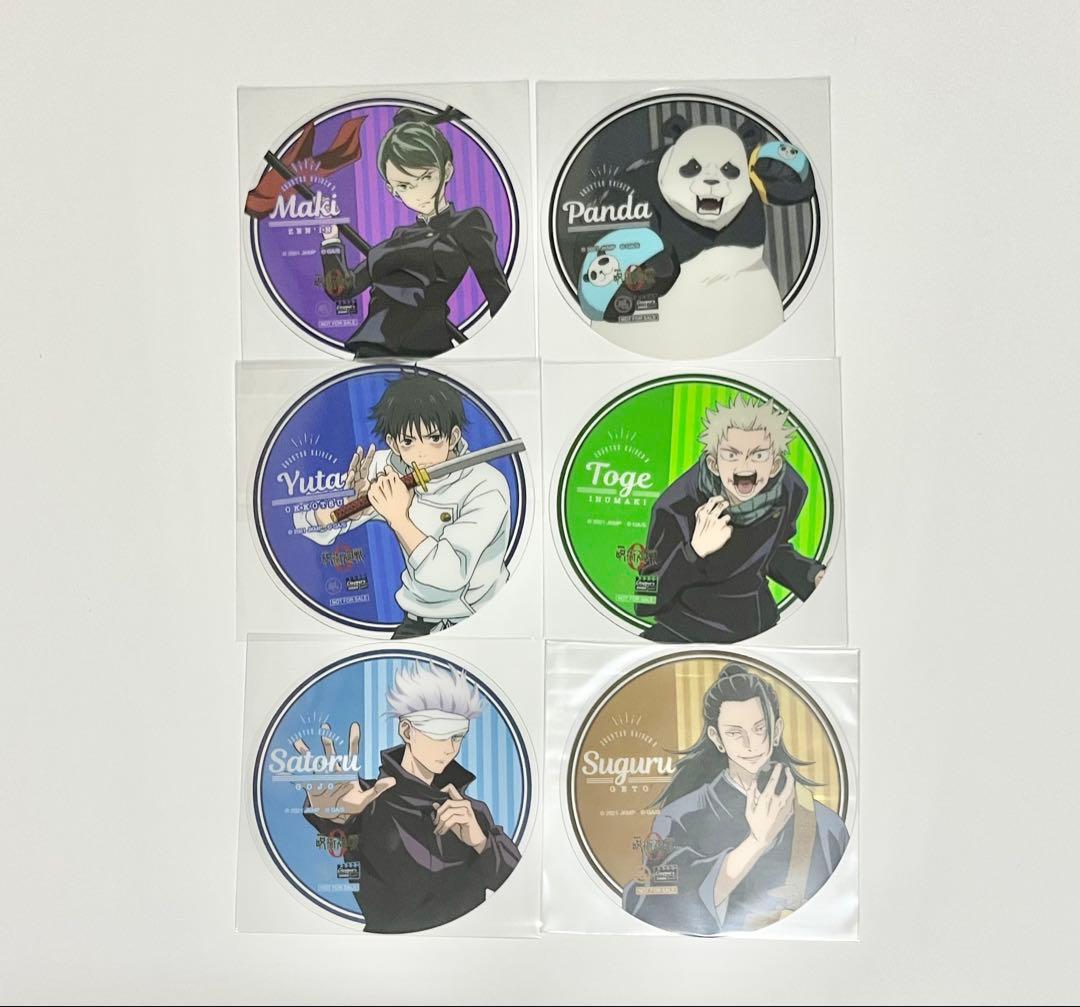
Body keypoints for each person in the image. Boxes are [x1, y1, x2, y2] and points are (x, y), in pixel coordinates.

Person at [623, 664, 848, 934]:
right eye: (734, 733)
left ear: (776, 731)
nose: (750, 744)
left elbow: (842, 908)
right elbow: (651, 902)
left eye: (759, 728)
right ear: (717, 738)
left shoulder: (824, 824)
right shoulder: (677, 818)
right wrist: (757, 841)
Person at [300, 662, 521, 933]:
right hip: (383, 952)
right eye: (439, 734)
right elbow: (338, 823)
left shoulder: (472, 814)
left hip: (469, 950)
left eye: (457, 736)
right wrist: (331, 812)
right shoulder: (368, 803)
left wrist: (481, 843)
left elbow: (523, 891)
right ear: (407, 731)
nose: (450, 749)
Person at [293, 373, 512, 638]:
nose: (421, 453)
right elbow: (300, 526)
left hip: (478, 621)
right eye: (408, 442)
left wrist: (399, 519)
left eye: (434, 438)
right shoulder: (384, 467)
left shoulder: (486, 485)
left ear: (453, 436)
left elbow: (450, 576)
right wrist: (349, 507)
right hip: (416, 620)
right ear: (394, 443)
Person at [320, 107, 511, 358]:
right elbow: (342, 290)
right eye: (404, 185)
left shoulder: (468, 223)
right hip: (371, 352)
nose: (419, 192)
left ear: (447, 171)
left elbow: (499, 295)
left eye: (427, 176)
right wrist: (331, 241)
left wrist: (502, 354)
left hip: (427, 351)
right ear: (392, 190)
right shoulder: (398, 236)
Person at [637, 395, 825, 643]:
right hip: (686, 632)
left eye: (758, 455)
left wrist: (811, 576)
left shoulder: (790, 489)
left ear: (775, 465)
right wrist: (694, 551)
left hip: (757, 630)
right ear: (713, 464)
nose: (745, 467)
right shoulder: (675, 506)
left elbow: (772, 551)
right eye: (732, 455)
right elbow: (644, 600)